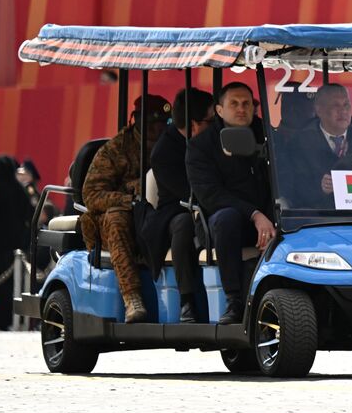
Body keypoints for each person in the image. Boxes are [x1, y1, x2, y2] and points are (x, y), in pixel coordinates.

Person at [185, 82, 273, 323]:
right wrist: (255, 215)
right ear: (219, 111)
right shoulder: (200, 146)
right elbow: (211, 195)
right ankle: (233, 300)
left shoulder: (269, 137)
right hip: (223, 224)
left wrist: (270, 216)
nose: (241, 109)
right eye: (233, 104)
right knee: (227, 218)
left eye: (246, 104)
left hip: (267, 217)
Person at [80, 95, 173, 323]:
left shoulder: (173, 146)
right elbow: (91, 195)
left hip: (158, 210)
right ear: (138, 121)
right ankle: (132, 298)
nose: (159, 129)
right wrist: (129, 199)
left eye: (164, 123)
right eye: (153, 123)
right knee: (116, 219)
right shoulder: (115, 150)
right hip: (121, 217)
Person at [139, 86, 213, 322]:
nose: (215, 125)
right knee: (183, 225)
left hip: (210, 200)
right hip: (176, 207)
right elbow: (188, 191)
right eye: (209, 121)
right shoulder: (164, 151)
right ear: (193, 124)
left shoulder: (212, 138)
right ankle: (187, 300)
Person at [279, 84, 352, 209]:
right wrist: (320, 188)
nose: (343, 111)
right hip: (318, 219)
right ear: (319, 110)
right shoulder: (298, 144)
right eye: (335, 105)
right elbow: (292, 190)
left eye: (346, 105)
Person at [0, 155, 33, 330]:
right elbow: (30, 216)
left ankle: (2, 322)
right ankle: (15, 321)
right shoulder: (21, 191)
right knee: (14, 289)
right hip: (17, 252)